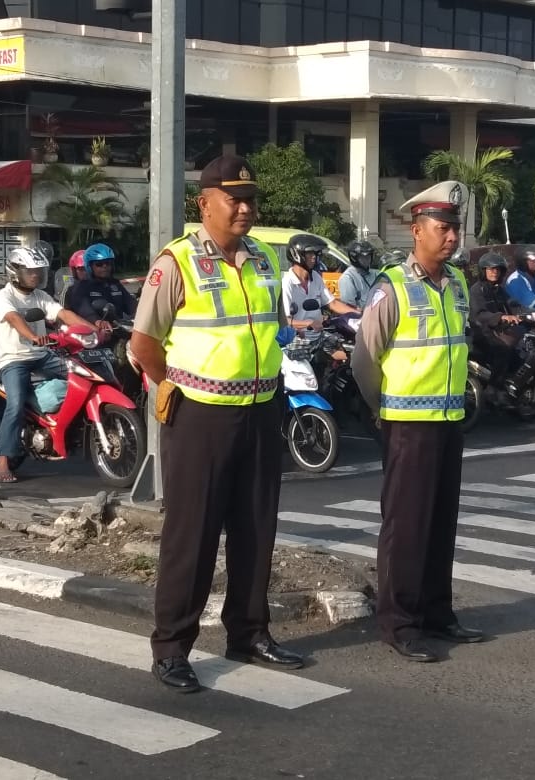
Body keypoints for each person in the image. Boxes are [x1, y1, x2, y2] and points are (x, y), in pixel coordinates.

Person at [129, 154, 304, 693]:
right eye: (235, 199)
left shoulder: (264, 260)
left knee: (256, 527)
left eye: (251, 199)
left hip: (259, 409)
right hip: (200, 416)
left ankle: (249, 632)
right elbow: (143, 344)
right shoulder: (176, 263)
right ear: (204, 203)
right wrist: (175, 388)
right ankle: (172, 647)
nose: (246, 209)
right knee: (194, 534)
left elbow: (274, 328)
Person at [350, 180, 484, 663]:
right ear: (417, 231)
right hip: (407, 423)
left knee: (440, 521)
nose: (451, 237)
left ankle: (436, 612)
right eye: (442, 228)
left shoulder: (458, 283)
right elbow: (364, 362)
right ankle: (401, 622)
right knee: (405, 526)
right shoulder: (392, 287)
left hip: (448, 420)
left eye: (456, 229)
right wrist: (381, 409)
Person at [0, 245, 99, 483]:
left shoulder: (41, 296)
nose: (36, 275)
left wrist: (93, 331)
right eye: (31, 271)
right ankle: (2, 462)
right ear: (15, 272)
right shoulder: (4, 296)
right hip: (14, 359)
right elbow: (14, 318)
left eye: (39, 271)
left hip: (42, 355)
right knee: (15, 404)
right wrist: (32, 336)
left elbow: (63, 314)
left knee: (83, 373)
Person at [281, 233, 359, 336]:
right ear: (297, 254)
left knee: (346, 350)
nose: (314, 257)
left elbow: (332, 304)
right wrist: (308, 323)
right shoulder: (287, 283)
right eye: (310, 253)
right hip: (298, 341)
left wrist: (358, 313)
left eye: (316, 254)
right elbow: (284, 320)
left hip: (319, 335)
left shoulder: (315, 277)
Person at [468, 252, 522, 388]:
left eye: (498, 269)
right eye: (491, 269)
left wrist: (531, 313)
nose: (495, 272)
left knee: (522, 349)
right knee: (502, 351)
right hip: (482, 333)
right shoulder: (476, 290)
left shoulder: (499, 290)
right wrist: (501, 316)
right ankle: (495, 390)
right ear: (483, 271)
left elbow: (513, 304)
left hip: (498, 331)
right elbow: (479, 315)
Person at [68, 242, 138, 327]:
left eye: (108, 263)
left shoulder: (115, 284)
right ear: (89, 266)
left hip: (120, 329)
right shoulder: (82, 287)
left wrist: (141, 313)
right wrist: (96, 320)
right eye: (99, 264)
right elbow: (84, 308)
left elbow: (131, 304)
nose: (104, 266)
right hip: (95, 333)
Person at [338, 239, 378, 308]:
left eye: (369, 256)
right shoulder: (348, 278)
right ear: (354, 258)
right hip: (359, 317)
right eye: (363, 257)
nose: (367, 260)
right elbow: (349, 308)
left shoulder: (375, 274)